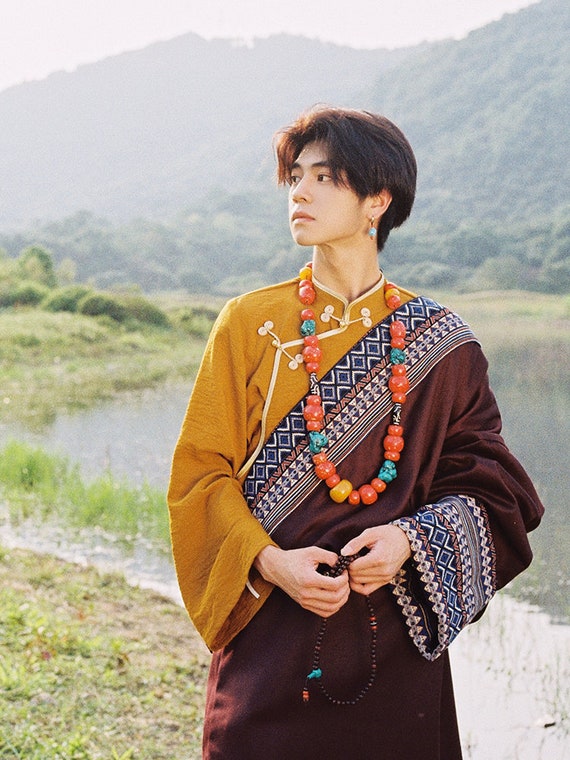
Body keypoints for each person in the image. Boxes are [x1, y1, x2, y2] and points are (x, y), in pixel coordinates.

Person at [167, 106, 544, 759]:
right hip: (269, 631)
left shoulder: (442, 346)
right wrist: (270, 561)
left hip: (394, 638)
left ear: (378, 200)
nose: (300, 193)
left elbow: (496, 494)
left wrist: (409, 539)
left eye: (326, 178)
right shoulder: (249, 323)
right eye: (296, 178)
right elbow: (202, 476)